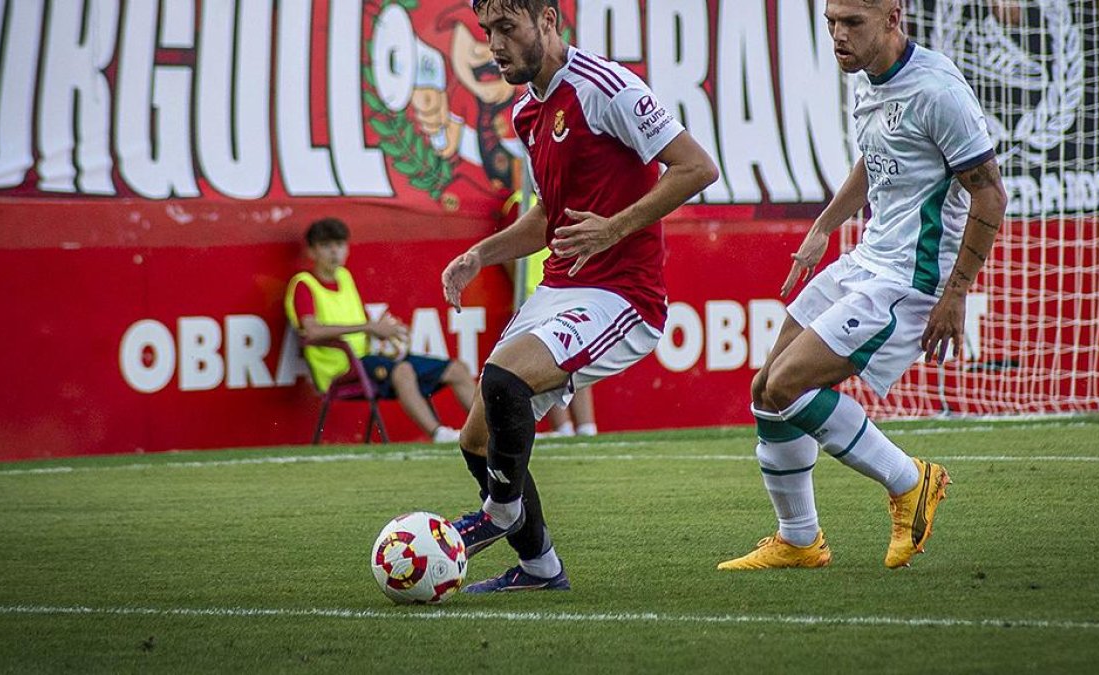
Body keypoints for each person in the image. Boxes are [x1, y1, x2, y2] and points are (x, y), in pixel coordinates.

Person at [718, 0, 1008, 571]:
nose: (837, 36)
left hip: (910, 278)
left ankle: (910, 481)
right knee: (764, 392)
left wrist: (955, 294)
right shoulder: (869, 78)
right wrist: (824, 227)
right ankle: (799, 539)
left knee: (786, 387)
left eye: (851, 22)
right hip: (867, 259)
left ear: (893, 18)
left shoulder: (937, 90)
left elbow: (990, 194)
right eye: (830, 22)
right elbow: (876, 160)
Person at [440, 0, 719, 592]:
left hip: (624, 294)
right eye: (487, 31)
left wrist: (615, 227)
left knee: (504, 380)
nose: (494, 45)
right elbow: (549, 217)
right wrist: (479, 255)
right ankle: (540, 569)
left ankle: (499, 514)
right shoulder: (525, 112)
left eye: (507, 29)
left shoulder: (607, 87)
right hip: (564, 286)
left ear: (547, 20)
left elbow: (697, 168)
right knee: (477, 438)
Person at [285, 218, 476, 444]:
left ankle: (495, 431)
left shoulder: (345, 278)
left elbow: (361, 321)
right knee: (403, 370)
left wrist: (387, 332)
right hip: (341, 368)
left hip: (369, 359)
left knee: (457, 369)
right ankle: (439, 434)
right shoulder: (303, 284)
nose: (334, 252)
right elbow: (311, 332)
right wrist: (369, 327)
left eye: (339, 245)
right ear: (312, 251)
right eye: (326, 246)